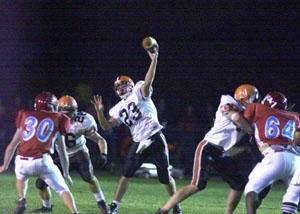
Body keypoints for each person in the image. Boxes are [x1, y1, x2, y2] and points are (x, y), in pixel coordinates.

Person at [91, 45, 182, 214]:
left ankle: (176, 205)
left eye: (123, 85)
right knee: (126, 174)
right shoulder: (117, 108)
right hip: (139, 141)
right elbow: (106, 126)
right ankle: (114, 206)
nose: (120, 89)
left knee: (165, 178)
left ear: (131, 85)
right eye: (118, 87)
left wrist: (154, 60)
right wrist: (99, 112)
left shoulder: (140, 91)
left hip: (154, 136)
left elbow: (148, 81)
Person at [156, 84, 259, 214]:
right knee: (197, 185)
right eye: (253, 97)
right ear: (245, 96)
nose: (254, 101)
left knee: (239, 184)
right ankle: (164, 210)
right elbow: (237, 118)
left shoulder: (245, 112)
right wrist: (251, 130)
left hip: (220, 152)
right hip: (207, 147)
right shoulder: (229, 102)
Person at [0, 92, 78, 214]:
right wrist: (66, 172)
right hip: (42, 161)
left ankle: (22, 200)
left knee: (21, 178)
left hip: (22, 160)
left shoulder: (25, 114)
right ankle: (74, 212)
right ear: (53, 105)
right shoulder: (59, 118)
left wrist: (4, 165)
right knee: (62, 189)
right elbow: (62, 150)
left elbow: (12, 145)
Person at [33, 95, 110, 214]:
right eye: (63, 112)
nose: (66, 115)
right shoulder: (51, 121)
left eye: (69, 112)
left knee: (88, 177)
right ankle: (46, 207)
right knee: (41, 183)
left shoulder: (84, 120)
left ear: (75, 111)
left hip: (79, 153)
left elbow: (100, 140)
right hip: (62, 156)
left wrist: (103, 154)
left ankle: (102, 203)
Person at [231, 92, 300, 214]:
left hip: (274, 155)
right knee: (294, 197)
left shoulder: (257, 108)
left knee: (251, 190)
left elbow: (242, 121)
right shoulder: (295, 115)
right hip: (295, 159)